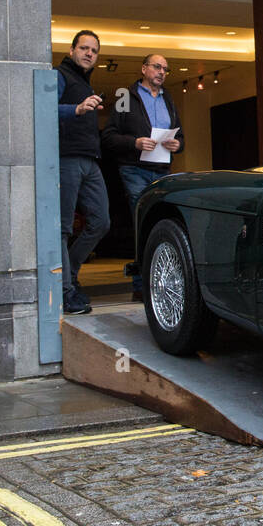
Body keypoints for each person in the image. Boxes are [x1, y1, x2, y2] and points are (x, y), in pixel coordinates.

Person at [102, 54, 184, 299]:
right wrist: (135, 142)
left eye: (166, 69)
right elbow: (109, 136)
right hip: (134, 169)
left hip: (162, 171)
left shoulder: (168, 97)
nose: (162, 72)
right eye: (157, 67)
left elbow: (182, 138)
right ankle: (141, 287)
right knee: (143, 222)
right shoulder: (125, 96)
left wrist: (177, 145)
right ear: (144, 68)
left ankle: (159, 284)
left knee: (160, 222)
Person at [56, 30, 110, 315]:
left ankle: (71, 274)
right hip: (66, 160)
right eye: (84, 48)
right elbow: (42, 108)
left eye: (94, 50)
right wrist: (76, 109)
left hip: (90, 161)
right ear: (72, 49)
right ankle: (65, 293)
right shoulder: (60, 75)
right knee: (63, 229)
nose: (89, 53)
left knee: (101, 222)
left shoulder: (85, 82)